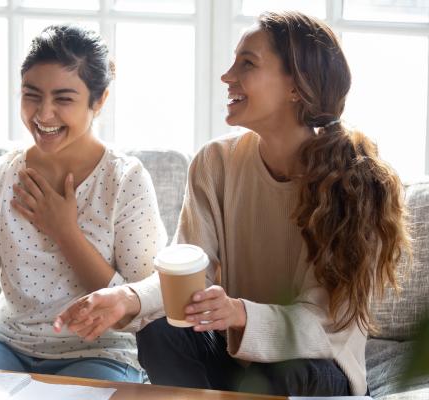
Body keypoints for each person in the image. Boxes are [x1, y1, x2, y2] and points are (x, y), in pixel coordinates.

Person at [54, 10, 411, 396]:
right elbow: (190, 277)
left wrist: (239, 313)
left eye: (247, 63)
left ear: (297, 87)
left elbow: (323, 325)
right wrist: (127, 297)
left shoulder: (357, 185)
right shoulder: (215, 163)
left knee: (289, 374)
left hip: (316, 369)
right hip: (238, 365)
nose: (227, 76)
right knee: (160, 333)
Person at [0, 24, 166, 382]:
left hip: (100, 353)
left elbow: (140, 305)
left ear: (99, 100)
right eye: (32, 95)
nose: (43, 115)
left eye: (63, 99)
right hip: (5, 344)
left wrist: (65, 232)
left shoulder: (125, 180)